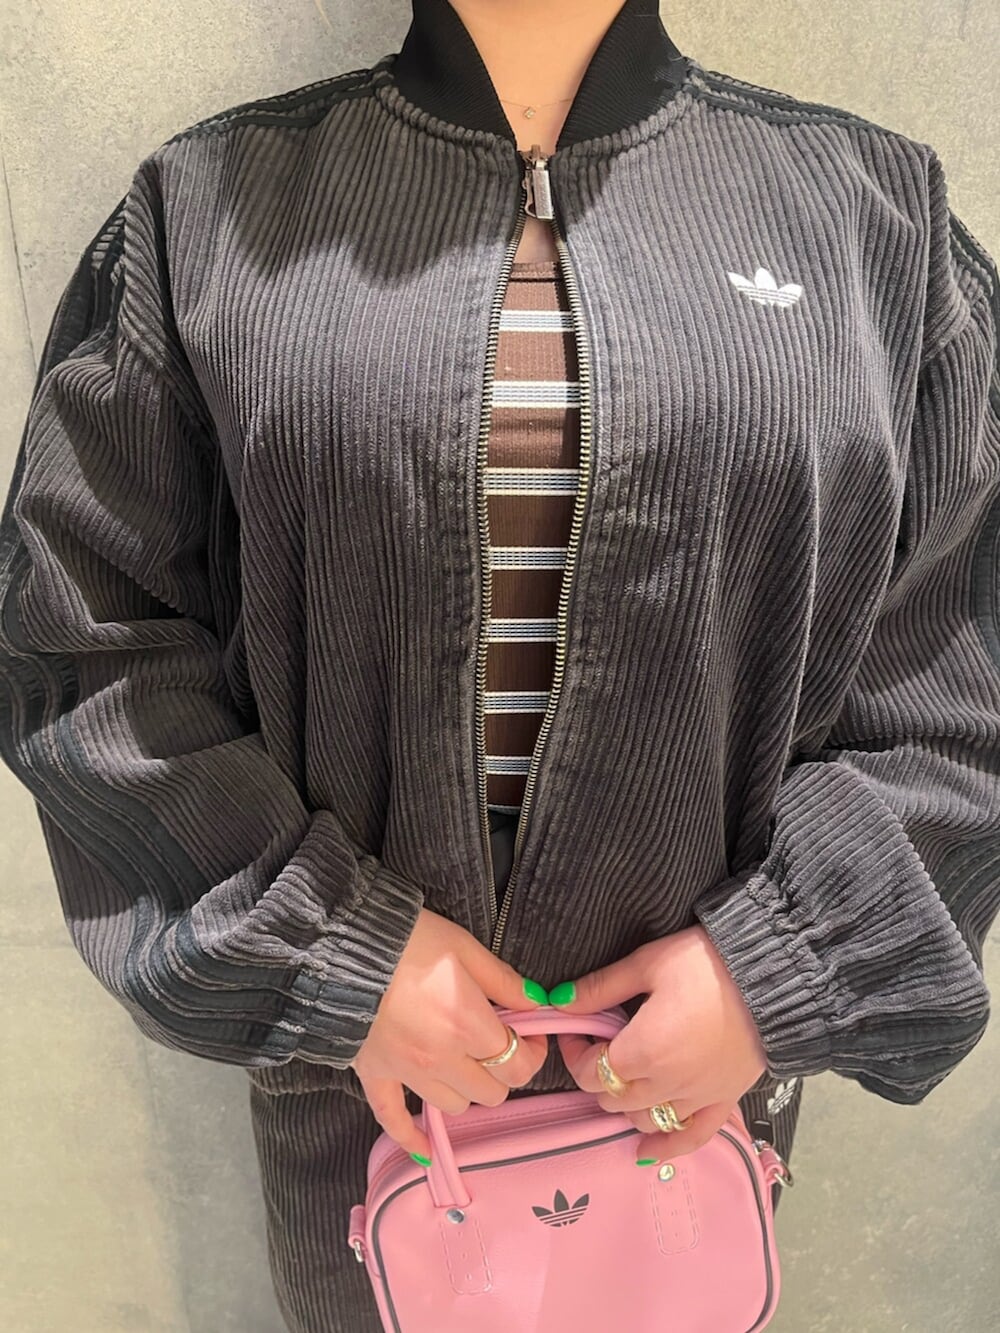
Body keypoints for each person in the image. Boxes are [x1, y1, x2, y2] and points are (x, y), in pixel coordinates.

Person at [1, 2, 997, 1329]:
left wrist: (779, 964)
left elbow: (963, 668)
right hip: (369, 1123)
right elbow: (84, 638)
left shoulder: (870, 219)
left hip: (687, 1126)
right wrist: (335, 950)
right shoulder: (208, 215)